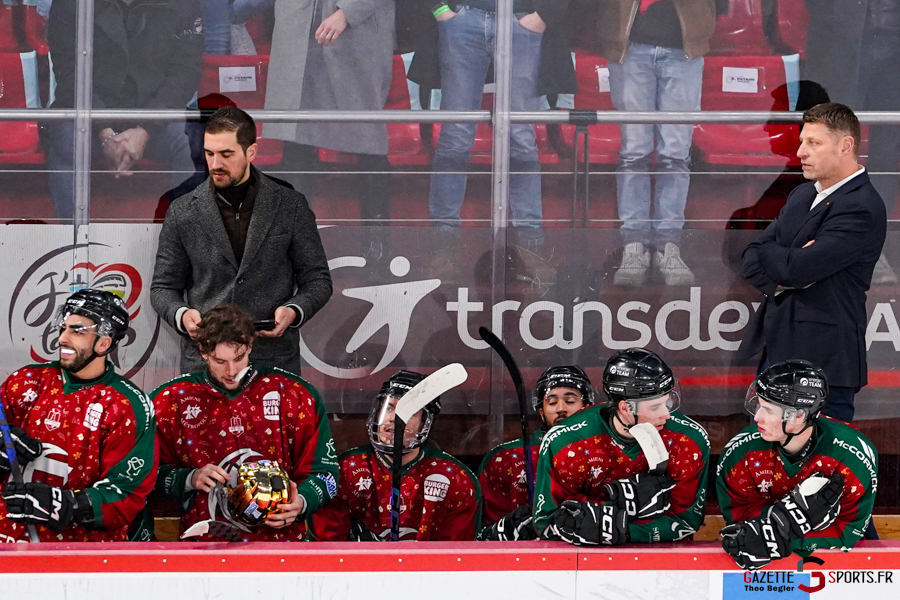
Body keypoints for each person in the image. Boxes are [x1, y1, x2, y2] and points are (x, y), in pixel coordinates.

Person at [151, 106, 333, 374]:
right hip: (205, 361)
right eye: (209, 153)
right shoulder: (182, 211)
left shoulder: (290, 205)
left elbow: (317, 280)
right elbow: (163, 288)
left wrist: (294, 310)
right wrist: (182, 315)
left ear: (251, 152)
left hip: (272, 360)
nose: (215, 164)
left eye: (226, 154)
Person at [739, 103, 887, 423]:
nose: (801, 152)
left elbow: (798, 268)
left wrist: (784, 261)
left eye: (813, 143)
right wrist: (784, 272)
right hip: (775, 355)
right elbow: (752, 253)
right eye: (802, 141)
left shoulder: (861, 206)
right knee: (766, 453)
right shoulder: (802, 195)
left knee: (820, 455)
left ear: (845, 145)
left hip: (824, 366)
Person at [414, 1, 577, 285]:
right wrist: (441, 9)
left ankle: (530, 247)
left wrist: (542, 16)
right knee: (455, 135)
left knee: (521, 136)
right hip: (463, 19)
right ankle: (444, 249)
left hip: (521, 18)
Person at [151, 304, 339, 541]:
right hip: (204, 544)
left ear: (250, 345)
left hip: (284, 544)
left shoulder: (295, 394)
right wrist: (189, 478)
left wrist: (301, 502)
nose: (231, 371)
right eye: (220, 361)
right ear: (202, 351)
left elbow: (327, 474)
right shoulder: (170, 400)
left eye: (239, 358)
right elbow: (143, 477)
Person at [0, 289, 157, 542]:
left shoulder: (127, 405)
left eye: (78, 331)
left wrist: (67, 504)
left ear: (104, 343)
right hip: (7, 542)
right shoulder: (25, 381)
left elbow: (127, 492)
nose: (62, 338)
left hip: (79, 553)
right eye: (63, 328)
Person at [44, 0, 205, 220]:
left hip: (155, 115)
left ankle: (182, 236)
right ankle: (73, 237)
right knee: (68, 141)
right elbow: (69, 73)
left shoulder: (183, 4)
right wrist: (104, 131)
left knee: (194, 141)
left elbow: (185, 73)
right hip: (87, 114)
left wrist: (145, 129)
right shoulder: (71, 3)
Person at [533, 348, 710, 545]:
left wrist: (619, 529)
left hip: (664, 560)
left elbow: (685, 521)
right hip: (579, 561)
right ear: (625, 408)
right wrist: (616, 511)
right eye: (654, 407)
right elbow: (547, 522)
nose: (666, 414)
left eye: (667, 401)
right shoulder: (566, 443)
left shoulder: (688, 440)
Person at [717, 360, 877, 571]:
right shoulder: (741, 452)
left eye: (768, 410)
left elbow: (847, 531)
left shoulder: (852, 456)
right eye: (758, 405)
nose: (757, 417)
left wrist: (778, 532)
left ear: (799, 416)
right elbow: (739, 521)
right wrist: (789, 522)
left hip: (842, 570)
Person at [603, 0, 717, 287]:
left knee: (676, 154)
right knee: (633, 153)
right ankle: (634, 247)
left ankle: (668, 247)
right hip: (630, 49)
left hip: (684, 51)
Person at [260, 0, 395, 222]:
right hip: (296, 28)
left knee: (368, 140)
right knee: (295, 139)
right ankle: (296, 238)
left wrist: (347, 12)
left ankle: (376, 241)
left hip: (357, 30)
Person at [309, 370, 481, 541]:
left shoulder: (455, 478)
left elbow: (455, 553)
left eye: (409, 412)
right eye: (389, 408)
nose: (393, 418)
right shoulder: (345, 470)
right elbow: (328, 547)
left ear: (425, 423)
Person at [800, 0, 900, 284]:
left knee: (887, 150)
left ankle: (871, 248)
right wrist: (833, 18)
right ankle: (824, 244)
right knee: (832, 145)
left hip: (894, 48)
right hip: (841, 44)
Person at [477, 365, 594, 541]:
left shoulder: (608, 452)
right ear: (541, 412)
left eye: (570, 401)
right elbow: (480, 535)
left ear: (587, 408)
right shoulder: (506, 458)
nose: (560, 408)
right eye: (552, 402)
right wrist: (504, 528)